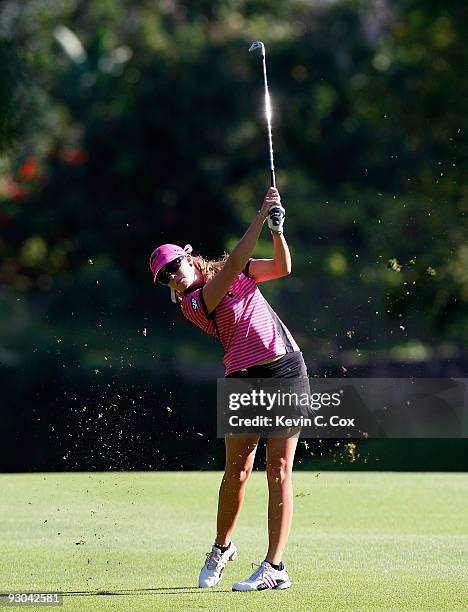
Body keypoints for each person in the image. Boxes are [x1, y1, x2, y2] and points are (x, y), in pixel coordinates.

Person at [149, 187, 310, 591]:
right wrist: (260, 214)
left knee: (279, 470)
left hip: (286, 370)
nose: (172, 275)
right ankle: (222, 547)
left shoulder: (231, 270)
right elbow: (236, 263)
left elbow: (282, 267)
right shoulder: (194, 303)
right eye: (165, 276)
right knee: (237, 471)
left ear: (187, 256)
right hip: (243, 380)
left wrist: (277, 229)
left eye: (173, 265)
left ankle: (274, 567)